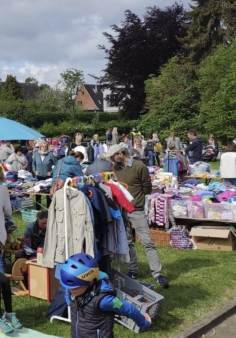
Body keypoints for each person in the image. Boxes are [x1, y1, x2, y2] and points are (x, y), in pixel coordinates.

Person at [107, 144, 168, 288]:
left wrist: (136, 201)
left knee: (147, 242)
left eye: (113, 156)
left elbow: (147, 187)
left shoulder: (139, 167)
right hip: (121, 211)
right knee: (128, 242)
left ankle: (157, 274)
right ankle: (133, 270)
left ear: (121, 154)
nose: (111, 159)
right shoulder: (115, 168)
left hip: (137, 210)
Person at [60, 253, 151, 337]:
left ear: (90, 282)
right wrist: (69, 302)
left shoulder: (104, 300)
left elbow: (128, 309)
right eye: (68, 286)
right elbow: (68, 295)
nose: (70, 290)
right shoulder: (74, 291)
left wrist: (144, 323)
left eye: (74, 287)